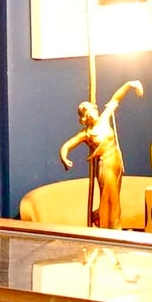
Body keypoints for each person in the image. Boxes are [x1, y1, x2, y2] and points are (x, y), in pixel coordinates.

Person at [59, 78, 143, 229]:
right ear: (85, 116)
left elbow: (115, 99)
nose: (93, 112)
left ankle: (103, 219)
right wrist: (64, 157)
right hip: (105, 165)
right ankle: (110, 227)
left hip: (115, 161)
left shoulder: (104, 119)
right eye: (89, 111)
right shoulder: (87, 134)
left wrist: (130, 84)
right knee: (109, 196)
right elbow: (67, 145)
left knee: (114, 194)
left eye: (93, 109)